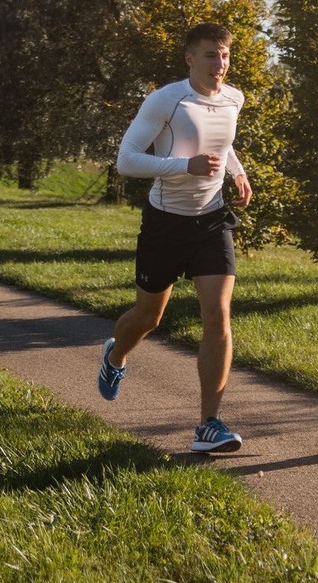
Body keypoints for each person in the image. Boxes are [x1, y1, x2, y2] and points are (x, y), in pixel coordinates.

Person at [97, 22, 253, 454]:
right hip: (165, 224)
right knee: (148, 317)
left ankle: (209, 425)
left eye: (225, 55)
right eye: (210, 55)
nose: (220, 64)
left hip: (211, 221)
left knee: (218, 316)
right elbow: (127, 160)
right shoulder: (166, 100)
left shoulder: (234, 99)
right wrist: (185, 166)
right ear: (189, 58)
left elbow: (223, 143)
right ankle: (115, 355)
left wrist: (237, 173)